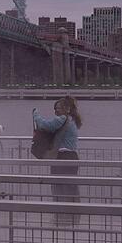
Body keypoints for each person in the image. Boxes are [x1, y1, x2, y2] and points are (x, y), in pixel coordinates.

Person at [34, 96, 82, 225]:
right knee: (70, 187)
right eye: (54, 109)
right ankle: (72, 216)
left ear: (67, 109)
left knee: (59, 187)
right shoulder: (71, 120)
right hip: (71, 157)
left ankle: (62, 216)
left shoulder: (63, 118)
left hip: (63, 157)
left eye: (58, 108)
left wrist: (36, 115)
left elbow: (45, 125)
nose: (56, 112)